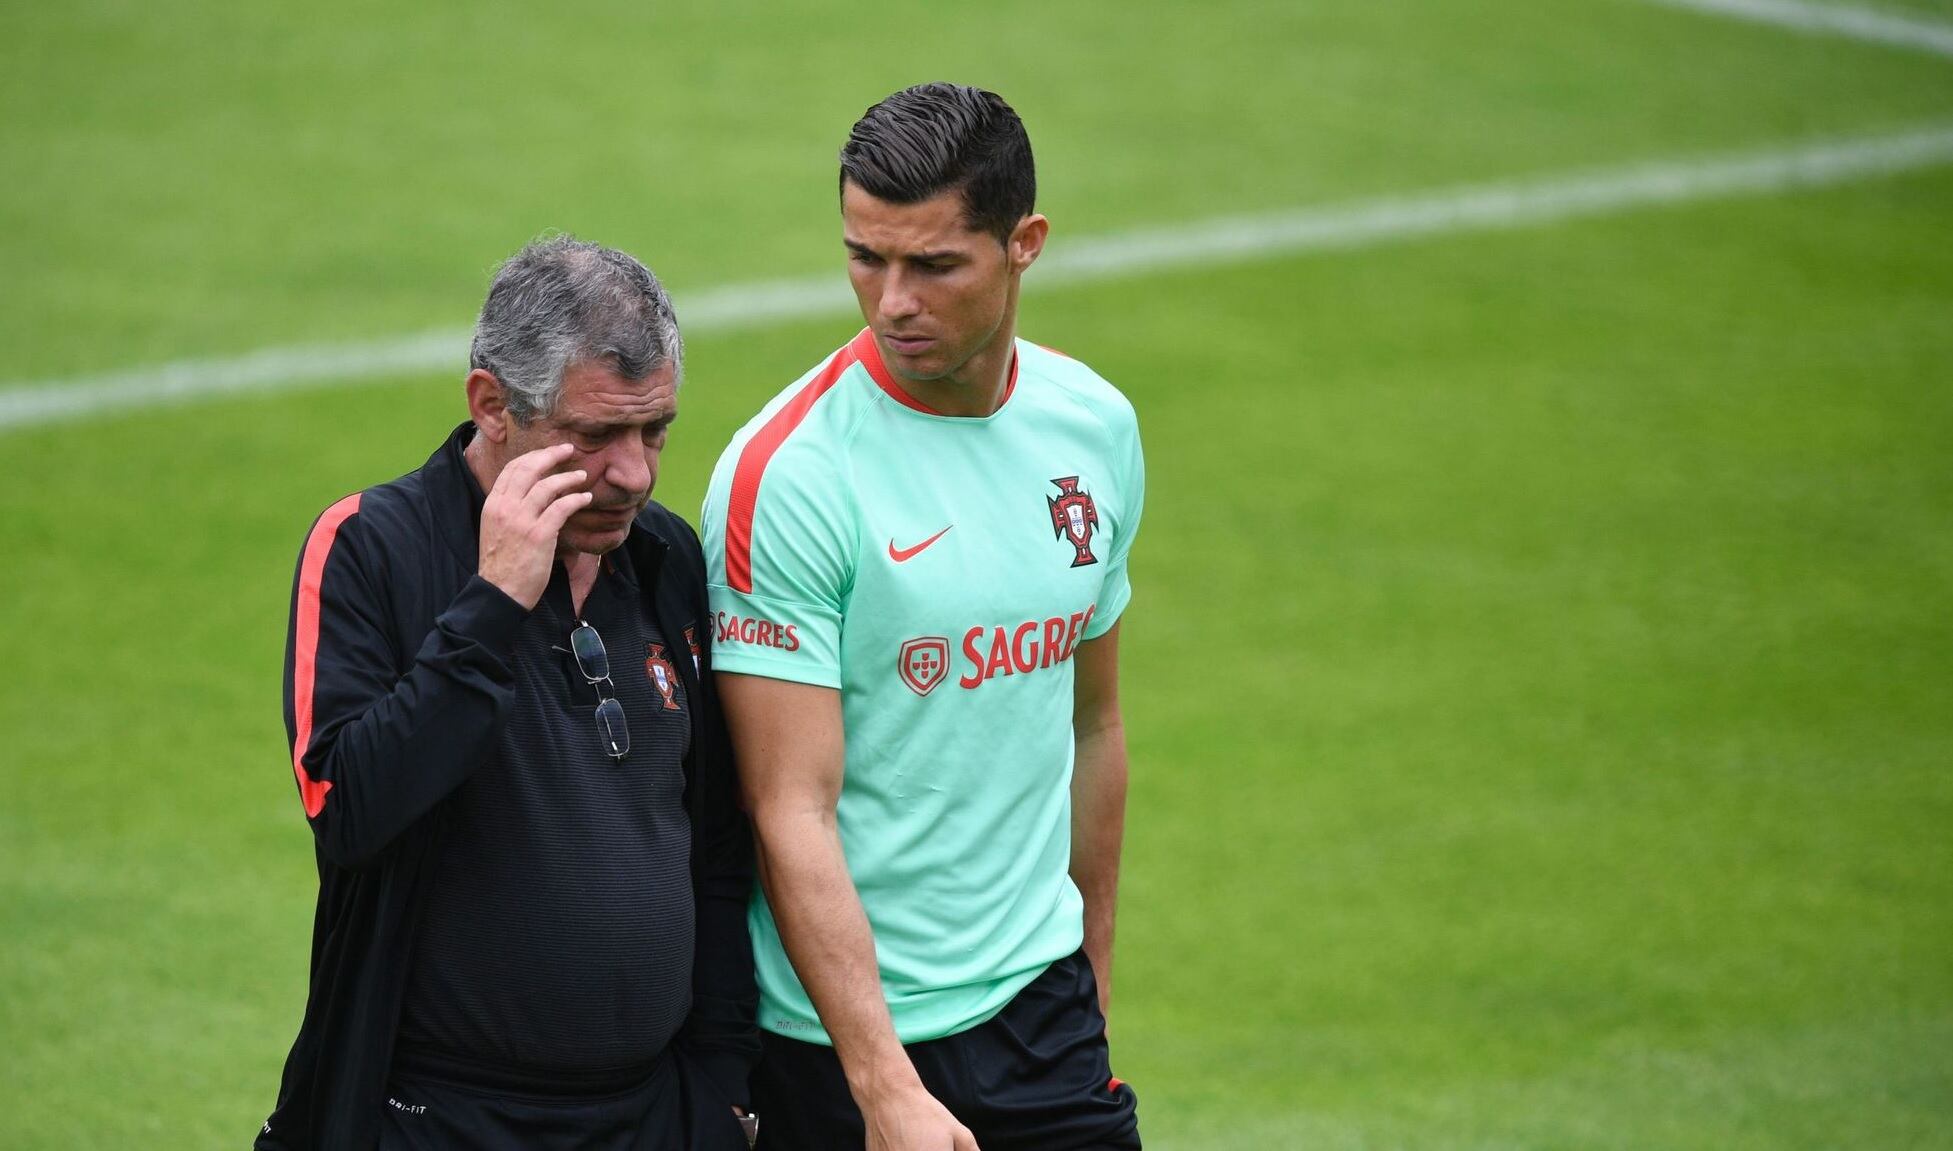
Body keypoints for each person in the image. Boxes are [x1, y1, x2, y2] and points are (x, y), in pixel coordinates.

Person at [701, 83, 1145, 1150]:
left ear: (1024, 243)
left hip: (1042, 1014)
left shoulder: (1094, 427)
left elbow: (1093, 725)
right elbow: (787, 808)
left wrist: (1091, 979)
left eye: (934, 264)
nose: (891, 299)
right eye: (866, 256)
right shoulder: (791, 478)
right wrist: (883, 1083)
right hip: (836, 1045)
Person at [258, 237, 758, 1151]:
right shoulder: (373, 549)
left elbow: (719, 845)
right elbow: (350, 809)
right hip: (439, 1118)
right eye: (596, 434)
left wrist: (722, 1088)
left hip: (654, 1116)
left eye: (655, 431)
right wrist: (490, 605)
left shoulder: (665, 559)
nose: (635, 473)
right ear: (492, 405)